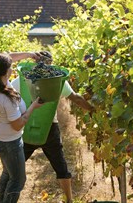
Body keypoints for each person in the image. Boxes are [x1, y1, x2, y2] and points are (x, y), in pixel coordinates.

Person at [11, 51, 94, 203]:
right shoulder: (56, 81)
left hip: (27, 126)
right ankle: (69, 200)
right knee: (60, 165)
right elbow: (75, 98)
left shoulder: (20, 80)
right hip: (49, 128)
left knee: (15, 166)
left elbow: (7, 100)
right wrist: (92, 109)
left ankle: (7, 198)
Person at [0, 52, 44, 203]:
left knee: (7, 173)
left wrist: (30, 55)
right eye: (11, 67)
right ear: (6, 71)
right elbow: (17, 125)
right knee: (18, 180)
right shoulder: (6, 98)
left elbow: (8, 57)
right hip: (10, 142)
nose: (13, 67)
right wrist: (33, 107)